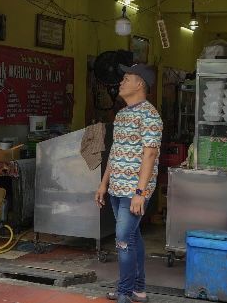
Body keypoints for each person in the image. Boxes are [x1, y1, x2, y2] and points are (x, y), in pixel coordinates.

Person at [96, 64, 162, 303]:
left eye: (126, 79)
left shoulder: (150, 115)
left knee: (123, 240)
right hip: (116, 187)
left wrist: (140, 193)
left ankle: (124, 292)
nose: (121, 83)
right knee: (132, 238)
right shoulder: (122, 114)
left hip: (134, 190)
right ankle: (139, 290)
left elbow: (150, 155)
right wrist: (104, 184)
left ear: (140, 84)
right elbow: (115, 152)